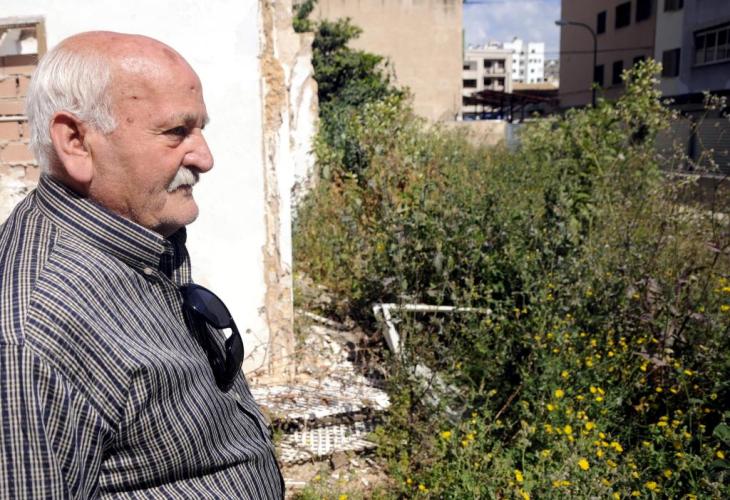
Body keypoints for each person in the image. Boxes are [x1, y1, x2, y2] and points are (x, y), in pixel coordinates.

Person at [0, 32, 284, 498]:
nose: (205, 158)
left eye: (200, 129)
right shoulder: (33, 335)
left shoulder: (138, 242)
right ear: (75, 142)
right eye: (176, 132)